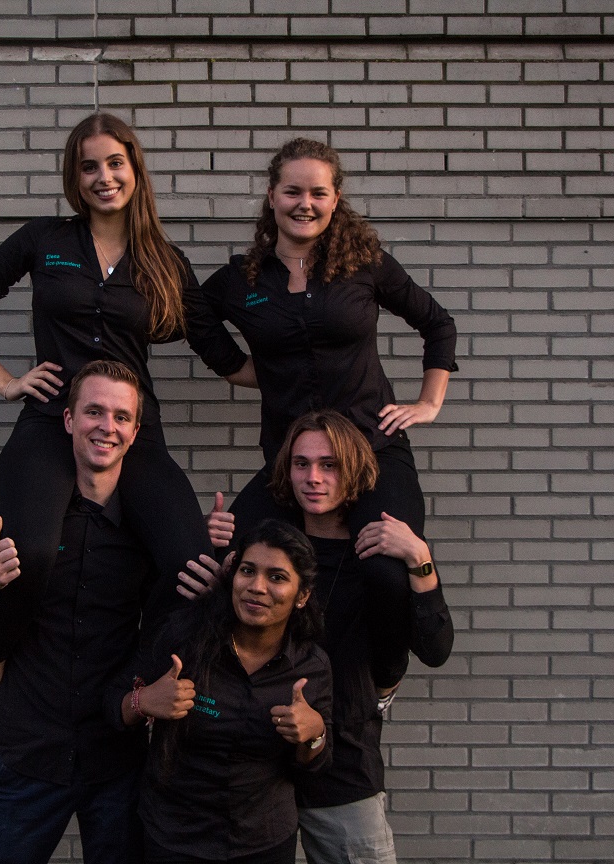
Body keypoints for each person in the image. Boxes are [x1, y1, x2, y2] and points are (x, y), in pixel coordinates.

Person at [0, 113, 227, 692]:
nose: (103, 177)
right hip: (50, 423)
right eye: (88, 166)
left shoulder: (165, 261)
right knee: (32, 551)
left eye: (115, 163)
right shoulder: (43, 239)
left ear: (135, 169)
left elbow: (222, 354)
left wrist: (304, 368)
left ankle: (141, 685)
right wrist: (6, 381)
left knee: (193, 567)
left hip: (131, 433)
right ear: (75, 177)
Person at [185, 137, 458, 690]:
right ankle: (240, 686)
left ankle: (383, 682)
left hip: (374, 452)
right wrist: (243, 370)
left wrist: (429, 403)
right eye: (292, 192)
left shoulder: (365, 266)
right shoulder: (242, 279)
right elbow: (194, 318)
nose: (304, 204)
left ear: (335, 199)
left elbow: (437, 323)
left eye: (317, 192)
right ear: (271, 197)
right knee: (223, 562)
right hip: (293, 464)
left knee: (385, 571)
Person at [0, 360, 175, 864]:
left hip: (115, 760)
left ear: (135, 432)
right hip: (30, 756)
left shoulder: (149, 532)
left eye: (120, 416)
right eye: (93, 412)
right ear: (68, 420)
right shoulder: (23, 520)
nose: (106, 427)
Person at [202, 410, 453, 864]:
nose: (313, 478)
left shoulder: (377, 557)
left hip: (344, 762)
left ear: (353, 468)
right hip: (257, 765)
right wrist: (215, 559)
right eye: (302, 464)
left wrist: (419, 556)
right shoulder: (265, 551)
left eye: (329, 465)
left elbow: (436, 649)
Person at [113, 519, 334, 864]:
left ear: (302, 595)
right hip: (174, 839)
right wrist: (143, 701)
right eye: (248, 571)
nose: (256, 587)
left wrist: (314, 733)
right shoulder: (182, 639)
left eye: (277, 577)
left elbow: (316, 765)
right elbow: (112, 704)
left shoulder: (311, 666)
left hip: (263, 842)